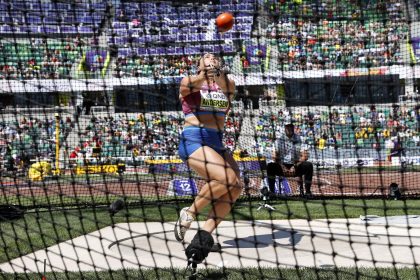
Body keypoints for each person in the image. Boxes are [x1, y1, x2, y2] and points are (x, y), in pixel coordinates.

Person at [175, 53, 243, 263]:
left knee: (236, 187)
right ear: (198, 65)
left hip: (216, 141)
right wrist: (205, 74)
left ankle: (203, 237)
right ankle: (189, 213)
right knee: (225, 179)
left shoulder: (226, 84)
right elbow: (189, 85)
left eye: (214, 56)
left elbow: (228, 86)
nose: (210, 56)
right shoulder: (189, 81)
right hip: (194, 139)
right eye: (205, 56)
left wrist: (217, 73)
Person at [266, 123, 313, 197]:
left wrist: (295, 166)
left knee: (308, 165)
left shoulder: (300, 139)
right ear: (284, 128)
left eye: (290, 126)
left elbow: (305, 156)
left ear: (293, 127)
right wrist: (282, 166)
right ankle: (272, 192)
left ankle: (308, 192)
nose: (289, 128)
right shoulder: (279, 140)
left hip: (297, 166)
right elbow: (274, 156)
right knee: (270, 166)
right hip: (281, 166)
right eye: (287, 127)